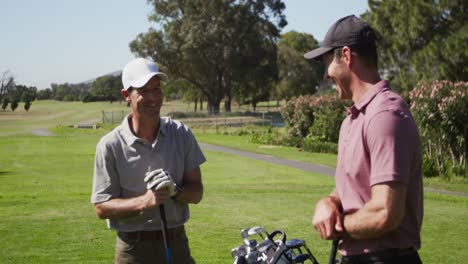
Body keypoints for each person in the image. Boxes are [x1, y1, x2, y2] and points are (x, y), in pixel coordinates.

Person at [304, 15, 423, 264]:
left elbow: (385, 212)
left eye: (327, 63)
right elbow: (355, 188)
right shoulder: (353, 119)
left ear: (346, 56)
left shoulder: (384, 115)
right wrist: (330, 201)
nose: (326, 75)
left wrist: (336, 225)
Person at [91, 58, 206, 264]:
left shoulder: (181, 134)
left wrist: (176, 191)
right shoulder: (109, 145)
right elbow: (102, 207)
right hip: (133, 249)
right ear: (127, 95)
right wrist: (144, 202)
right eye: (144, 90)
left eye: (157, 89)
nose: (154, 98)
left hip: (176, 242)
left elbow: (197, 192)